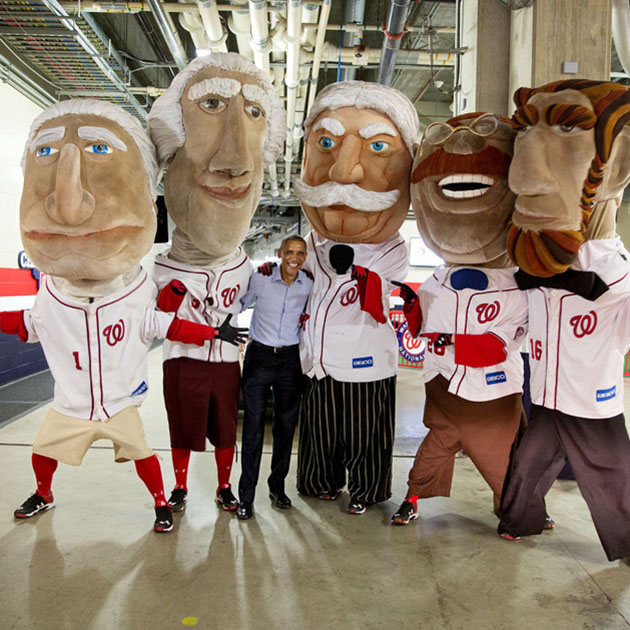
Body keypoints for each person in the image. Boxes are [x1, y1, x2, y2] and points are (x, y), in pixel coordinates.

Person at [0, 99, 243, 534]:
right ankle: (44, 493)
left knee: (143, 455)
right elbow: (26, 325)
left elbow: (168, 325)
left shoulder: (136, 293)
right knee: (42, 450)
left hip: (118, 402)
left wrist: (212, 333)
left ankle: (160, 502)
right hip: (71, 402)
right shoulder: (51, 295)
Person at [498, 79, 630, 562]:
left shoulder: (614, 268)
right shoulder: (538, 260)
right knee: (529, 464)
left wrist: (571, 277)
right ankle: (520, 521)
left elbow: (613, 296)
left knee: (612, 476)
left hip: (592, 400)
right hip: (548, 393)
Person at [147, 52, 285, 513]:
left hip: (226, 363)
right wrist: (207, 330)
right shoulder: (163, 269)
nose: (235, 158)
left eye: (253, 112)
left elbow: (255, 298)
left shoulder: (243, 265)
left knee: (226, 430)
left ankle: (224, 486)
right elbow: (158, 322)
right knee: (182, 430)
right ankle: (181, 486)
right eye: (211, 105)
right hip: (183, 361)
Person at [390, 112, 529, 526]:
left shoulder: (517, 286)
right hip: (444, 387)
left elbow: (495, 347)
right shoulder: (436, 279)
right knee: (433, 450)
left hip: (493, 396)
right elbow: (420, 323)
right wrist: (407, 308)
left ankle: (517, 510)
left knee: (502, 461)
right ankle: (412, 499)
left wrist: (443, 342)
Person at [293, 81, 419, 515]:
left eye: (378, 146)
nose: (344, 172)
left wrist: (354, 270)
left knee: (366, 432)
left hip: (366, 365)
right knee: (320, 430)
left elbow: (376, 294)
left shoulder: (391, 251)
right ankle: (320, 481)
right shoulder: (310, 246)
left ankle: (366, 491)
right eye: (326, 143)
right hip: (317, 363)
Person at [235, 236, 313, 520]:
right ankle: (246, 497)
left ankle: (277, 488)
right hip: (260, 357)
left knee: (286, 427)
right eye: (290, 252)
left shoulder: (308, 284)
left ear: (305, 256)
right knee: (253, 428)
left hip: (290, 360)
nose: (295, 258)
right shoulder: (262, 278)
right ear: (280, 253)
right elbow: (239, 304)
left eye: (300, 253)